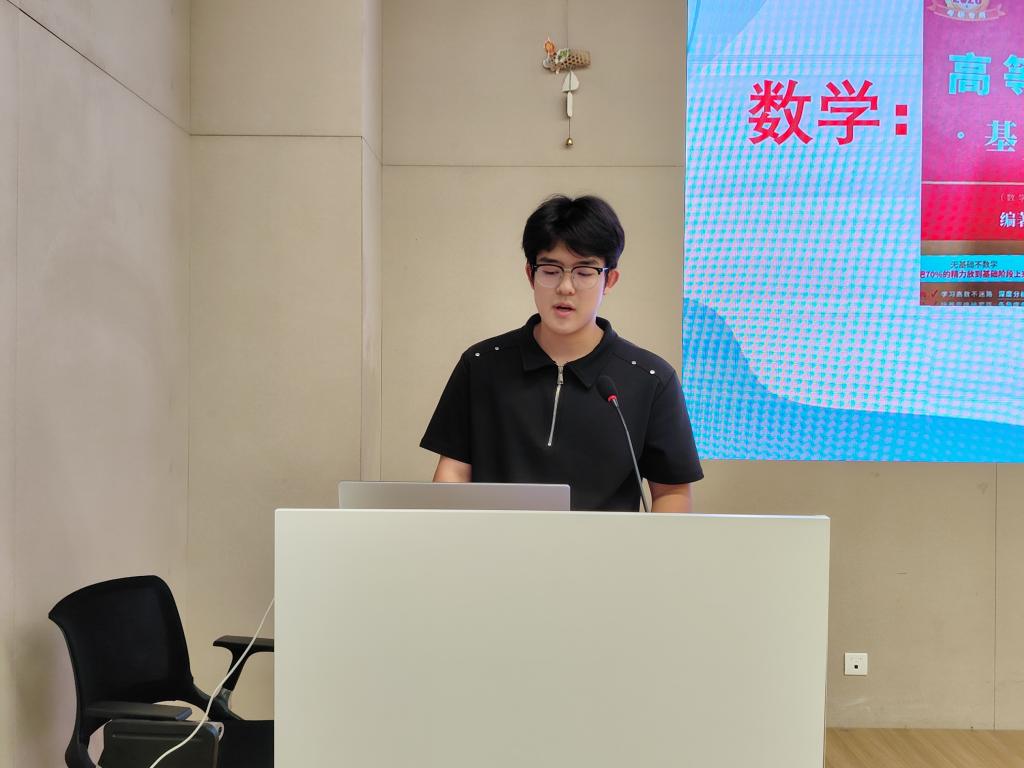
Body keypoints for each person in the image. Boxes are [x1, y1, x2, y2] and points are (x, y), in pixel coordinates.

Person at [420, 194, 703, 511]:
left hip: (606, 545)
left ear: (609, 279)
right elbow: (453, 474)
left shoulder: (651, 379)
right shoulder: (481, 365)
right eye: (551, 269)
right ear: (531, 274)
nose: (566, 287)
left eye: (584, 272)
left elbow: (671, 491)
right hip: (496, 542)